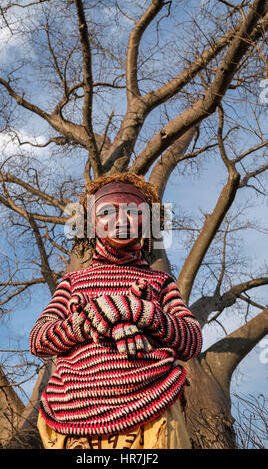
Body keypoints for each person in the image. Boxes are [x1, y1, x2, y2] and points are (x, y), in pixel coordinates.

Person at [29, 173, 202, 449]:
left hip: (155, 418)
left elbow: (191, 340)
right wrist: (91, 320)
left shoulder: (160, 283)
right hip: (75, 424)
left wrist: (141, 312)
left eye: (133, 212)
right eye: (108, 212)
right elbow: (39, 338)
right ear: (91, 222)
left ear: (147, 222)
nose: (121, 221)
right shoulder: (72, 283)